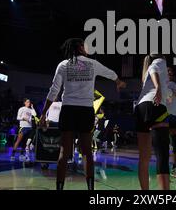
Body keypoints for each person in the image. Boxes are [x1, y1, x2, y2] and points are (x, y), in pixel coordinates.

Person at [39, 38, 126, 190]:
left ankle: (59, 188)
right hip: (86, 110)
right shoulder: (92, 64)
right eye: (84, 46)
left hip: (68, 110)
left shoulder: (63, 65)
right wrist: (118, 81)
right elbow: (110, 73)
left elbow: (54, 91)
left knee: (64, 152)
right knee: (87, 152)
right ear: (79, 47)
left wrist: (43, 113)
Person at [134, 54, 171, 190]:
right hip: (155, 107)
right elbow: (153, 69)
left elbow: (168, 94)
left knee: (144, 157)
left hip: (140, 108)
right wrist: (158, 88)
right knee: (162, 155)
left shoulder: (148, 77)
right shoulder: (160, 61)